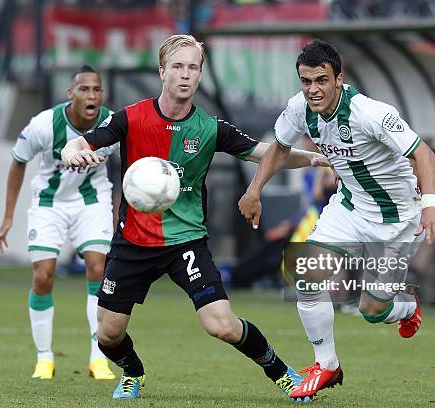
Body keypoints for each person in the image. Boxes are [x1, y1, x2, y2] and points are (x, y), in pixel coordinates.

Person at [61, 34, 330, 401]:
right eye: (178, 66)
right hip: (133, 243)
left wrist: (314, 157)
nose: (185, 75)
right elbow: (80, 142)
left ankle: (282, 372)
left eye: (193, 67)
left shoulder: (209, 127)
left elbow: (264, 152)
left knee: (221, 324)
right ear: (162, 71)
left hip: (185, 241)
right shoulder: (131, 117)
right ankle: (133, 371)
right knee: (107, 333)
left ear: (200, 74)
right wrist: (72, 151)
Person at [238, 40, 435, 401]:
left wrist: (430, 205)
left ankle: (406, 308)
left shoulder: (371, 113)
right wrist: (254, 189)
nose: (313, 89)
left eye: (321, 80)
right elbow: (279, 148)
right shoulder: (298, 108)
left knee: (372, 310)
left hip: (397, 221)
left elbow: (424, 154)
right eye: (306, 81)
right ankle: (327, 364)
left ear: (339, 79)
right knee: (304, 271)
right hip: (349, 208)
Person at [0, 65, 117, 381]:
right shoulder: (43, 125)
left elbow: (133, 165)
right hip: (49, 204)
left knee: (98, 268)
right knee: (43, 274)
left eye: (97, 89)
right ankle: (45, 358)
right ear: (70, 93)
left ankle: (98, 359)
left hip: (92, 200)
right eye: (85, 89)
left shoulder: (113, 125)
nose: (92, 95)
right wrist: (8, 217)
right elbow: (18, 161)